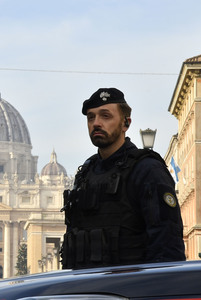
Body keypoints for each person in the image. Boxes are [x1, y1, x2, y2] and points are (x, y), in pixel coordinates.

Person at [61, 88, 185, 269]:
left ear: (125, 124)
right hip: (86, 287)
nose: (96, 123)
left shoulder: (147, 169)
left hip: (131, 289)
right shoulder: (85, 173)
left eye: (105, 116)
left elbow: (167, 244)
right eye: (91, 117)